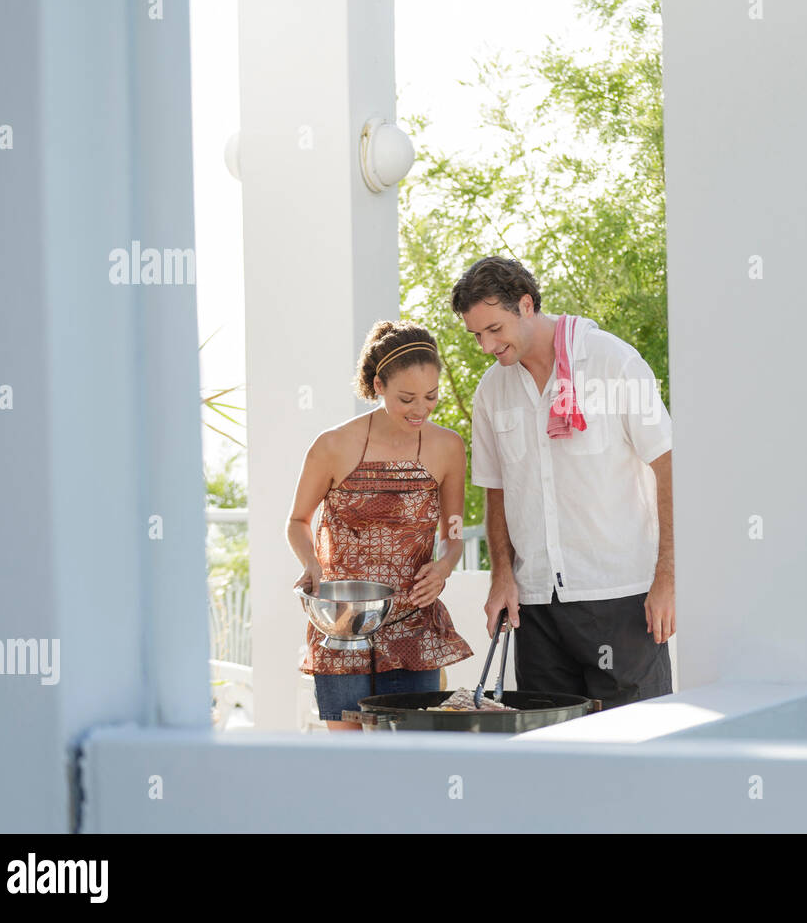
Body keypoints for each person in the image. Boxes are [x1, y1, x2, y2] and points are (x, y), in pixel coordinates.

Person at [453, 256, 675, 710]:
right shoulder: (491, 391)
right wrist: (501, 576)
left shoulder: (613, 363)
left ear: (527, 304)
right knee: (550, 759)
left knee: (637, 753)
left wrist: (668, 577)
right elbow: (496, 491)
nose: (486, 346)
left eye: (494, 328)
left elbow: (669, 466)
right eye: (476, 334)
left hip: (620, 598)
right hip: (535, 607)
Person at [286, 321, 473, 730]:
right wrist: (313, 565)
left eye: (431, 396)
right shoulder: (332, 445)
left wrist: (444, 567)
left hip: (414, 622)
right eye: (407, 398)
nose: (421, 409)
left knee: (412, 750)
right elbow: (298, 521)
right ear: (378, 385)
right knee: (353, 758)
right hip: (342, 624)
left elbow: (454, 531)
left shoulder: (448, 447)